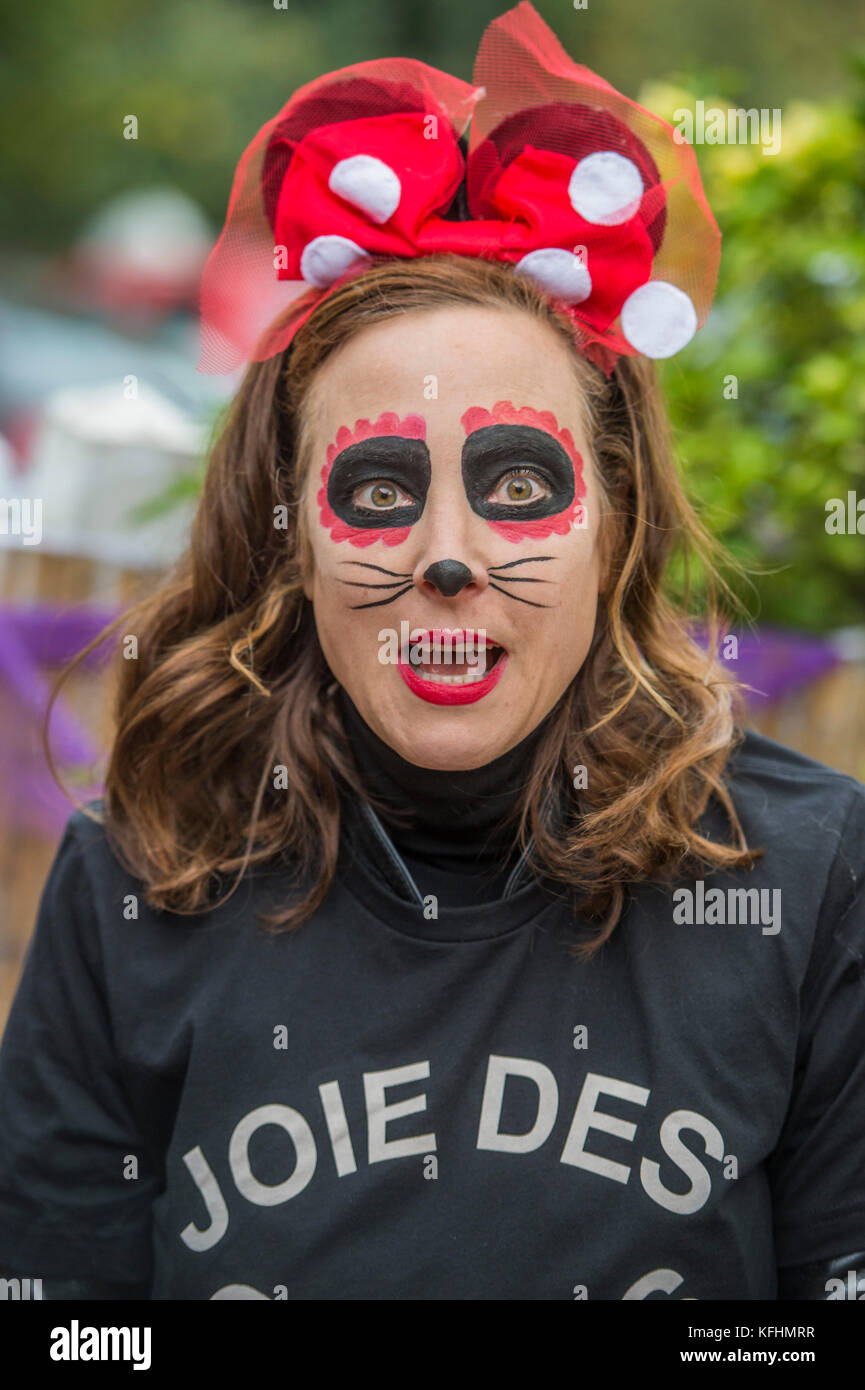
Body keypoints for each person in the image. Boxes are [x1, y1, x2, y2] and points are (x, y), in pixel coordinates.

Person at [1, 2, 863, 1302]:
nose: (446, 554)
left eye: (518, 481)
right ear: (286, 533)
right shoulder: (135, 880)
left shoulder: (806, 878)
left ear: (614, 523)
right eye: (379, 487)